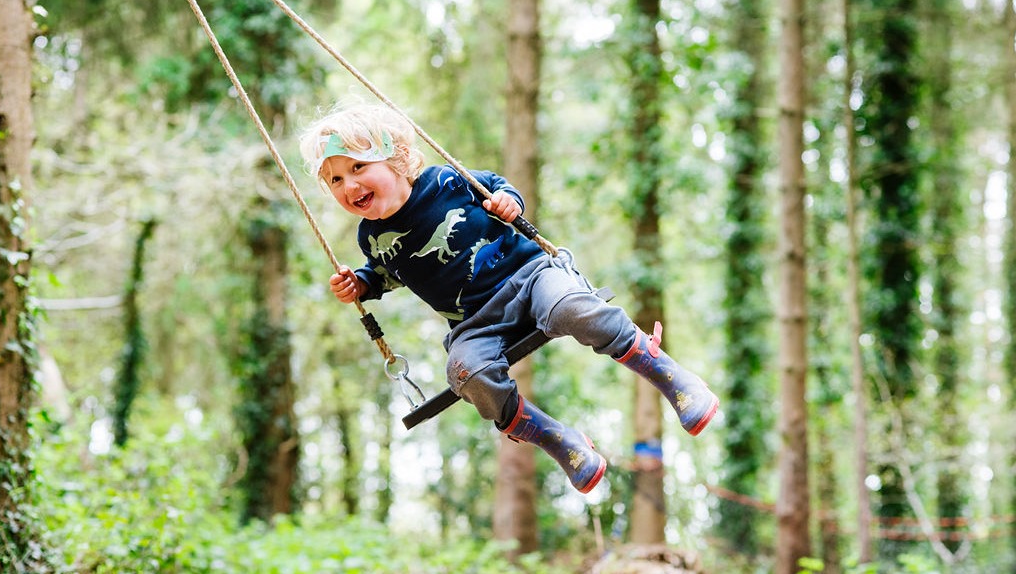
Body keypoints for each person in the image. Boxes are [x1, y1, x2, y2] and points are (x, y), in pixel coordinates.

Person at [299, 102, 719, 494]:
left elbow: (496, 186)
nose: (349, 184)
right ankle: (560, 440)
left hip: (530, 278)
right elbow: (390, 273)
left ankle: (669, 376)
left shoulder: (444, 181)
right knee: (465, 373)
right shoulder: (369, 238)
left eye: (358, 167)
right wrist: (364, 285)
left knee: (573, 306)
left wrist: (506, 202)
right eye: (335, 179)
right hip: (475, 322)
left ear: (395, 158)